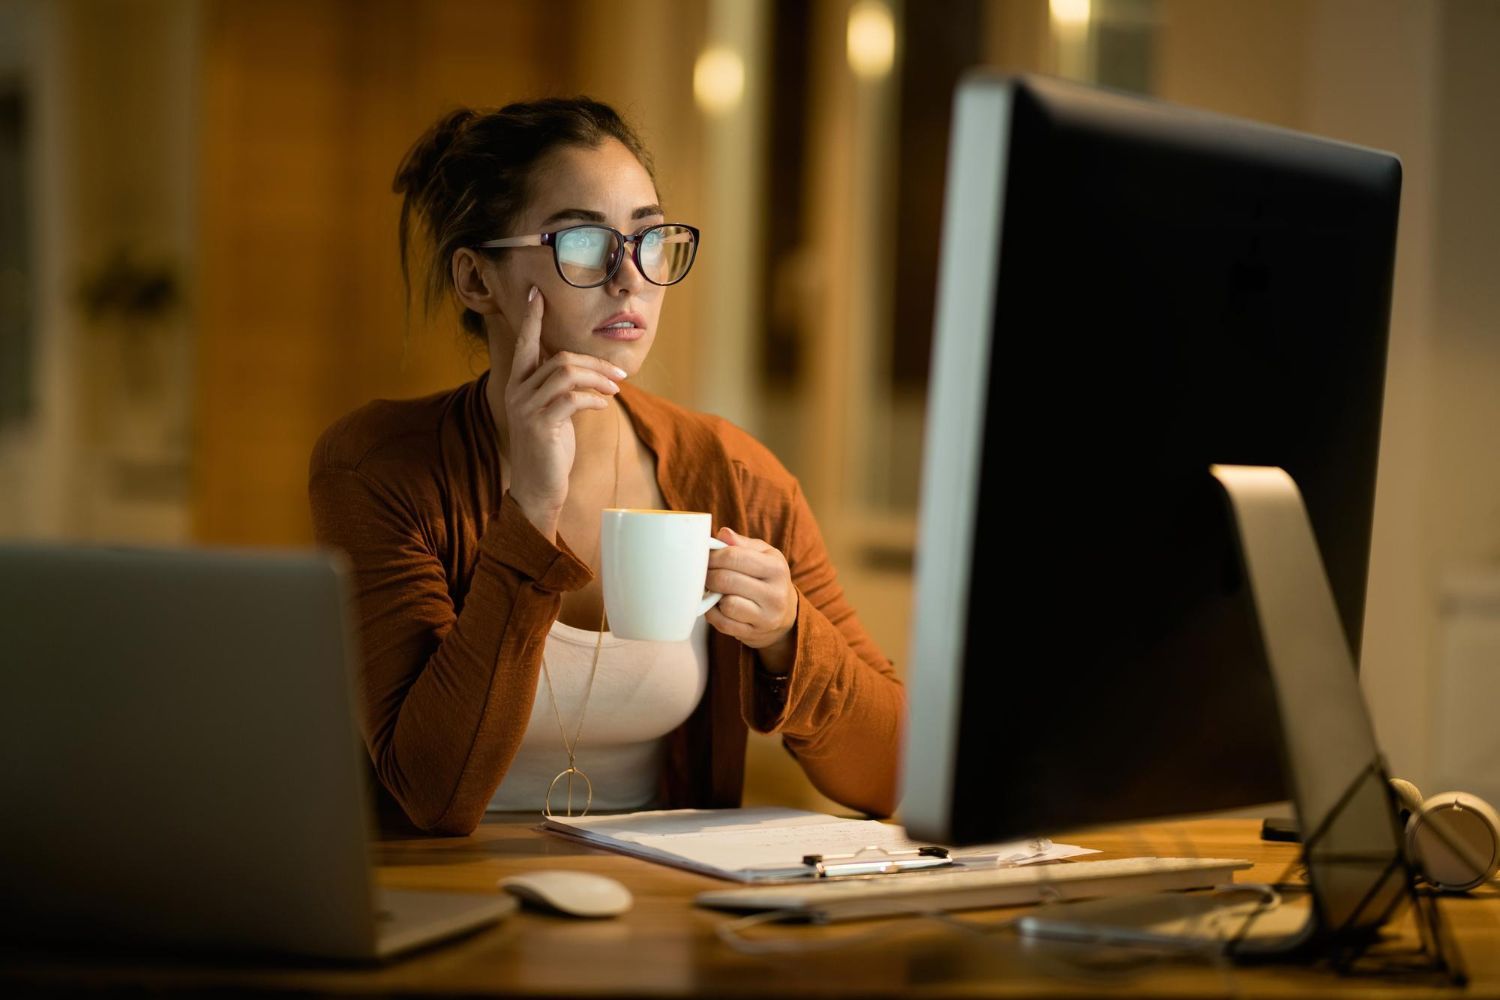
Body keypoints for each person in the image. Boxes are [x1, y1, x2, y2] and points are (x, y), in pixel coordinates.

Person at [308, 98, 902, 836]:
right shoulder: (378, 468)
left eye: (649, 238)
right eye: (584, 241)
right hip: (445, 902)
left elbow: (895, 774)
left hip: (661, 903)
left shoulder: (735, 475)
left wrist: (788, 635)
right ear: (476, 281)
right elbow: (432, 791)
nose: (631, 279)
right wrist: (530, 508)